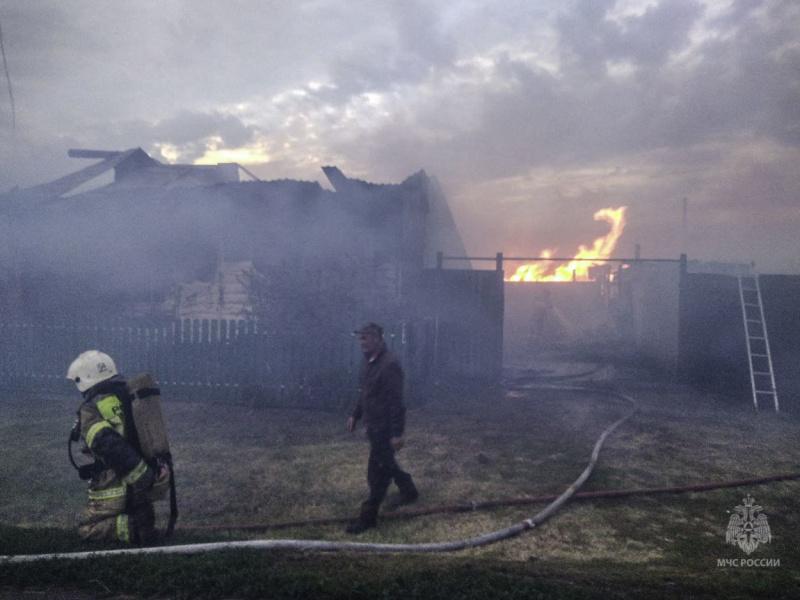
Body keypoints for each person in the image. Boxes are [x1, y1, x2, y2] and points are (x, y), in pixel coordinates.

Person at [66, 350, 169, 545]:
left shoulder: (91, 408)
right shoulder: (128, 395)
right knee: (136, 505)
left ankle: (135, 529)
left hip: (123, 481)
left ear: (85, 379)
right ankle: (142, 521)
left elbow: (108, 443)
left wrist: (142, 477)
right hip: (146, 476)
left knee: (87, 531)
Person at [345, 323, 418, 534]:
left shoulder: (389, 365)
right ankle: (408, 489)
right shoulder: (369, 361)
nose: (362, 343)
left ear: (377, 338)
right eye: (360, 339)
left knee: (376, 473)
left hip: (384, 428)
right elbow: (366, 392)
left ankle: (368, 517)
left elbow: (396, 402)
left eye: (365, 338)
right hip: (372, 424)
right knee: (385, 463)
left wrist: (396, 433)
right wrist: (355, 414)